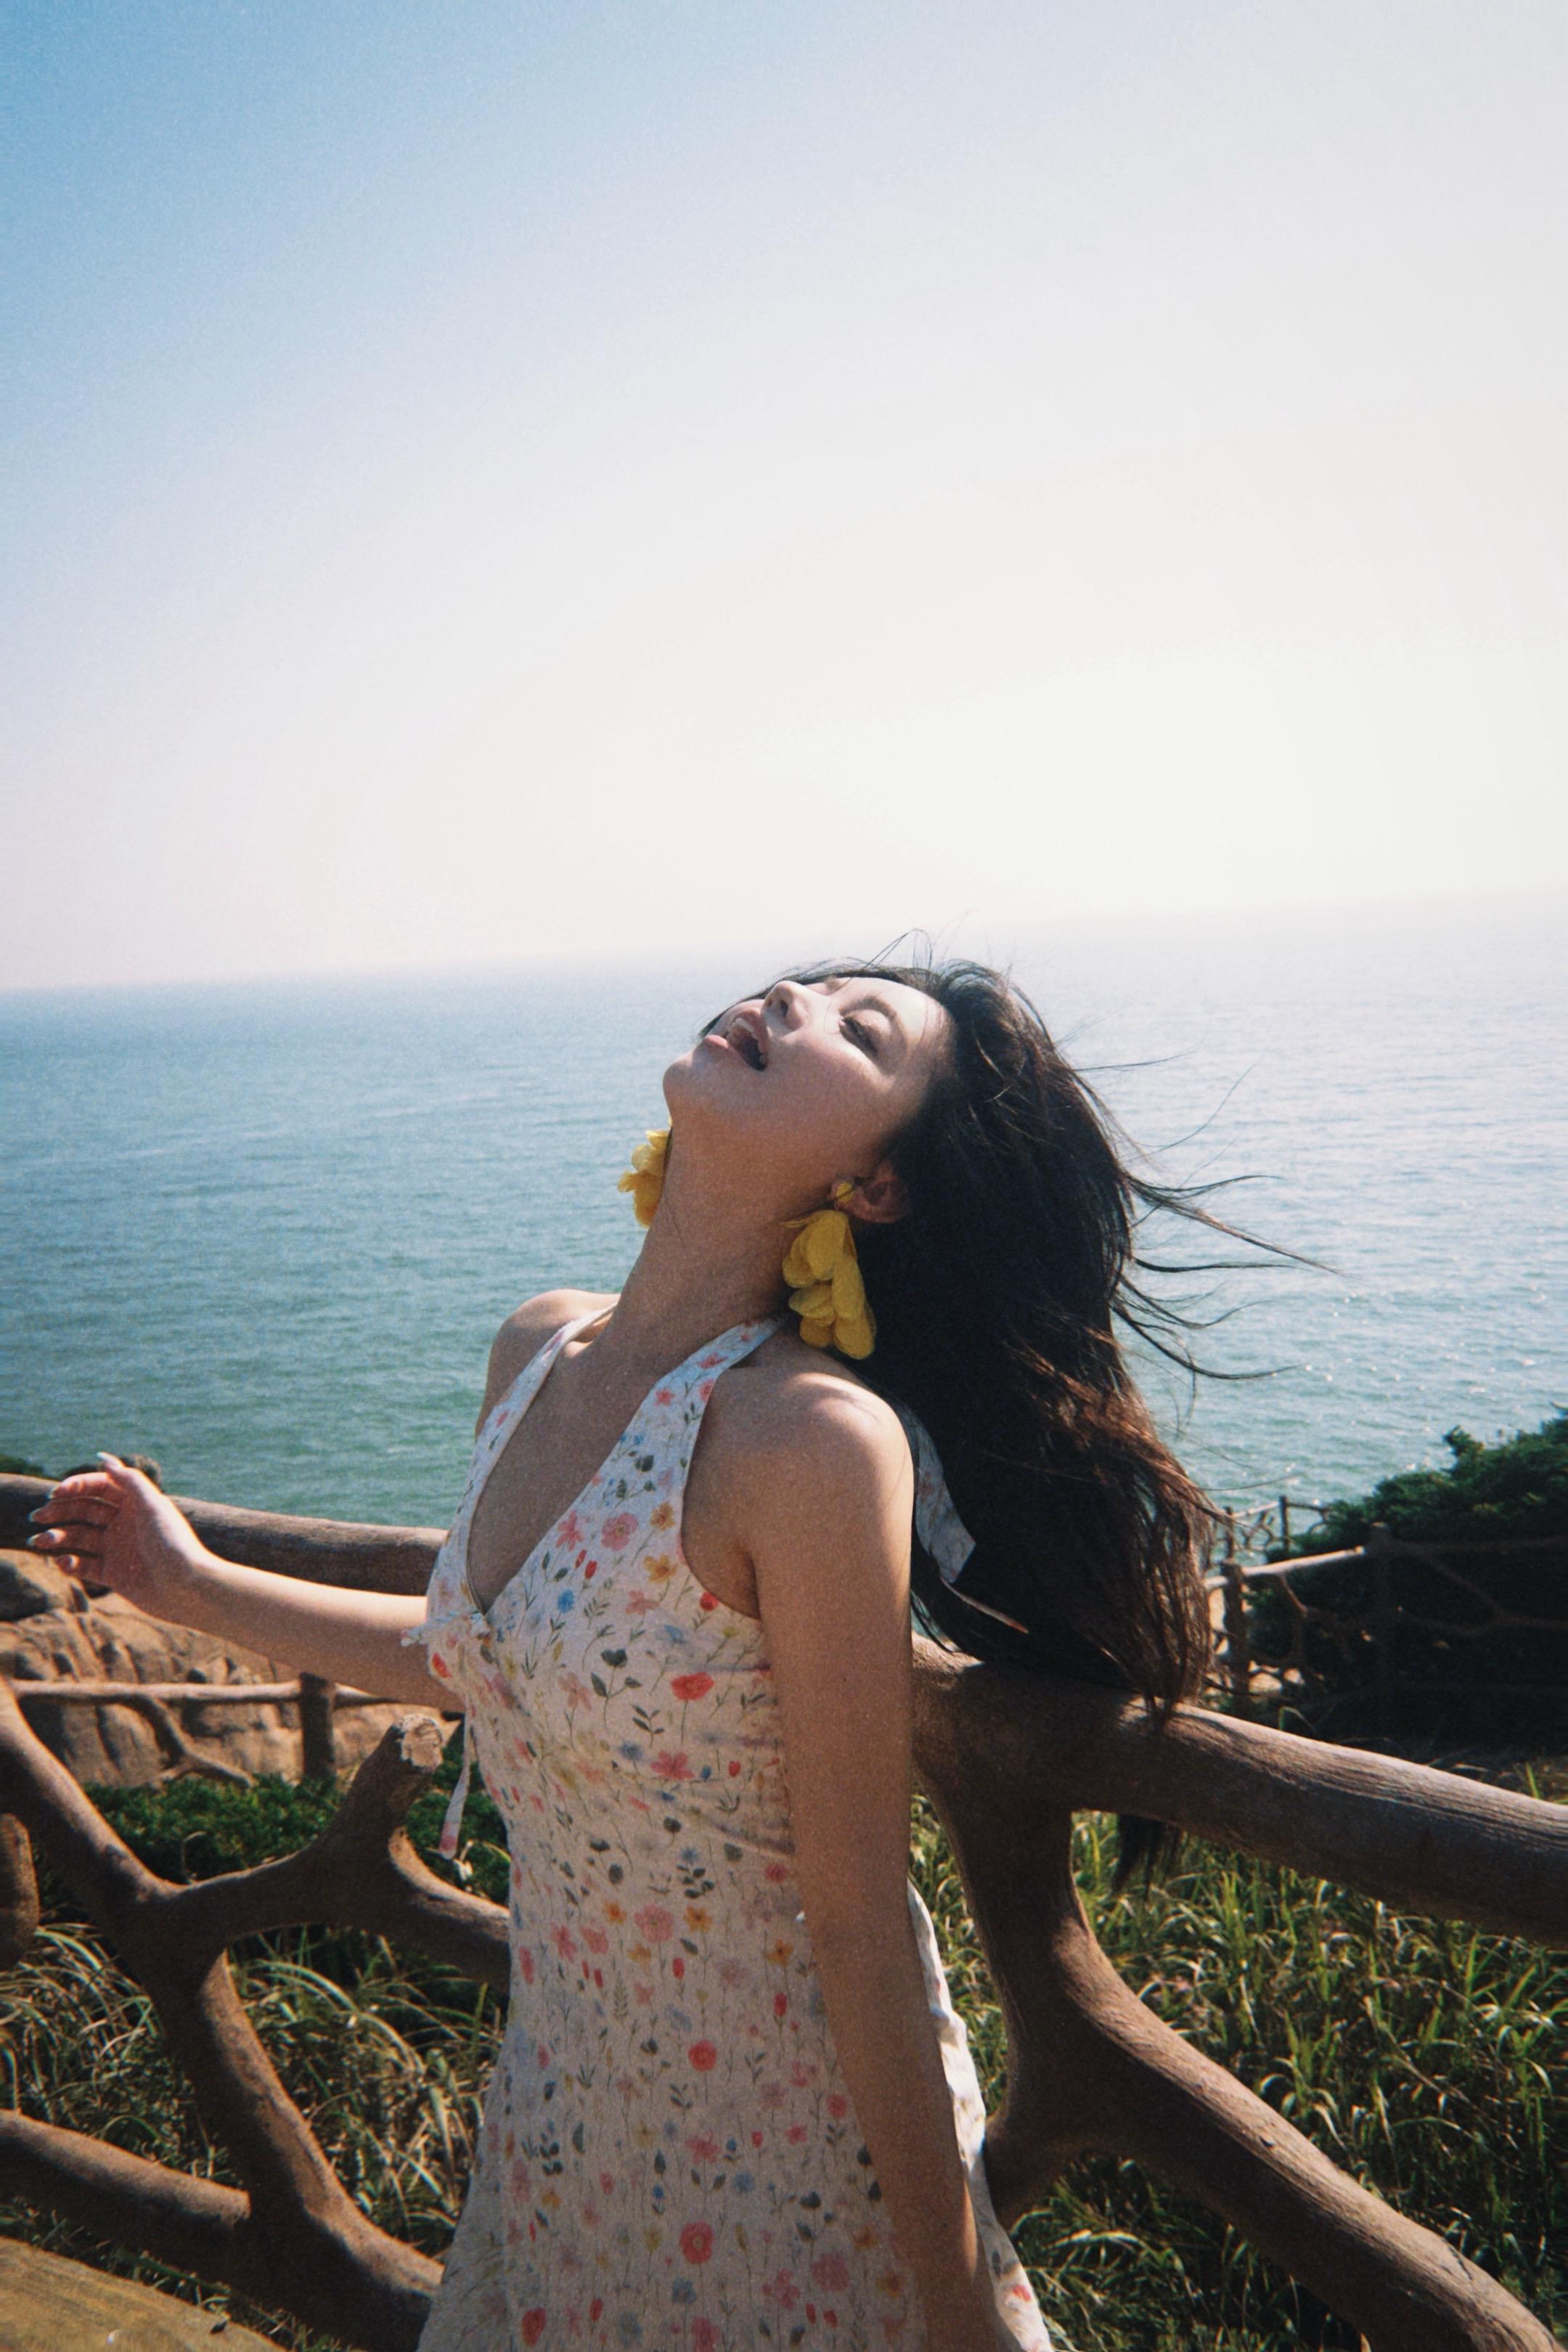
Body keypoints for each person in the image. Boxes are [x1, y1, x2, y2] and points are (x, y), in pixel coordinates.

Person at [30, 955, 1220, 2351]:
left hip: (783, 2161)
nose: (791, 1000)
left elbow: (856, 1924)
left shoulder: (814, 1446)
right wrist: (185, 1582)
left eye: (858, 1030)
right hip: (567, 2124)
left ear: (878, 1187)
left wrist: (954, 2311)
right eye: (802, 983)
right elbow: (475, 1655)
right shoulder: (540, 1347)